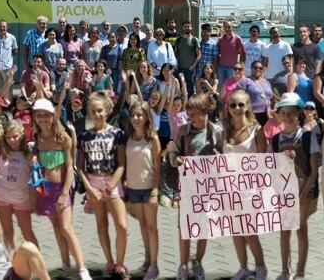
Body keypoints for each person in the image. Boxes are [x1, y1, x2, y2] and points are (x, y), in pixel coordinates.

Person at [32, 98, 91, 280]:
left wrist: (64, 193)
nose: (42, 119)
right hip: (46, 189)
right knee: (57, 228)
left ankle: (82, 269)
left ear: (52, 117)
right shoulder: (38, 138)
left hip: (62, 189)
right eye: (38, 116)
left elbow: (70, 168)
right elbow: (38, 167)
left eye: (46, 115)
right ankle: (65, 265)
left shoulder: (63, 137)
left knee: (66, 228)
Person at [169, 94, 225, 280]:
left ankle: (198, 262)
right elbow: (173, 153)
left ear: (204, 112)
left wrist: (220, 159)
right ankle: (183, 265)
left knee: (204, 227)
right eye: (189, 113)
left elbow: (226, 159)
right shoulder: (184, 131)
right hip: (188, 188)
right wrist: (177, 159)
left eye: (194, 114)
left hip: (209, 189)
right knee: (185, 228)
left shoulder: (216, 131)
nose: (190, 117)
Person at [269, 93, 319, 280]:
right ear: (279, 115)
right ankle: (284, 270)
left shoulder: (307, 137)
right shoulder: (275, 140)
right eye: (284, 112)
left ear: (299, 113)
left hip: (303, 192)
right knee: (284, 230)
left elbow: (314, 169)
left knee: (301, 229)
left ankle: (300, 271)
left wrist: (303, 194)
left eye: (292, 112)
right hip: (284, 192)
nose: (288, 116)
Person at [78, 93, 129, 277]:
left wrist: (111, 185)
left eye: (99, 110)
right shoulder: (84, 136)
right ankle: (110, 261)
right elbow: (80, 167)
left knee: (122, 226)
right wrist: (90, 190)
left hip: (113, 182)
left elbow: (122, 163)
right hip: (93, 183)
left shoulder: (117, 134)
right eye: (93, 111)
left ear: (107, 110)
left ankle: (121, 263)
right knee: (101, 224)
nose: (96, 114)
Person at [224, 89, 269, 280]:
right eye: (233, 104)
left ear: (248, 106)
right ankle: (243, 267)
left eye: (241, 104)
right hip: (229, 189)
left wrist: (262, 191)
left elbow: (264, 161)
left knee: (249, 232)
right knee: (236, 231)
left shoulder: (257, 131)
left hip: (250, 190)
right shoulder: (225, 130)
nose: (236, 108)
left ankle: (261, 267)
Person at [122, 100, 160, 280]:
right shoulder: (128, 137)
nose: (136, 118)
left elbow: (158, 167)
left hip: (148, 189)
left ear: (146, 117)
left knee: (152, 227)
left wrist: (155, 190)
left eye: (140, 115)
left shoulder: (152, 138)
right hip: (133, 188)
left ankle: (154, 265)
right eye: (133, 115)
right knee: (143, 225)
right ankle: (147, 257)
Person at [0, 123, 37, 251]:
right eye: (8, 137)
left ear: (22, 136)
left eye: (15, 136)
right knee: (7, 231)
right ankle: (12, 257)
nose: (11, 140)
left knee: (27, 232)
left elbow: (35, 176)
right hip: (1, 196)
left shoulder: (30, 151)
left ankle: (37, 260)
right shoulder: (0, 150)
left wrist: (34, 199)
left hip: (22, 198)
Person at [237, 60, 273, 125]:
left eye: (260, 68)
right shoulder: (245, 81)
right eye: (255, 67)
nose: (258, 69)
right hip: (252, 114)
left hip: (267, 113)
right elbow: (239, 98)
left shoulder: (266, 82)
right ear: (251, 69)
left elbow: (271, 97)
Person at [217, 20, 245, 85]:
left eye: (229, 27)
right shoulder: (220, 39)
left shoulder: (237, 38)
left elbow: (241, 53)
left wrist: (240, 66)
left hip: (232, 67)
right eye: (225, 27)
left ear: (232, 27)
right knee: (221, 86)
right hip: (221, 67)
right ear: (223, 28)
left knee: (231, 87)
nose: (227, 29)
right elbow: (217, 53)